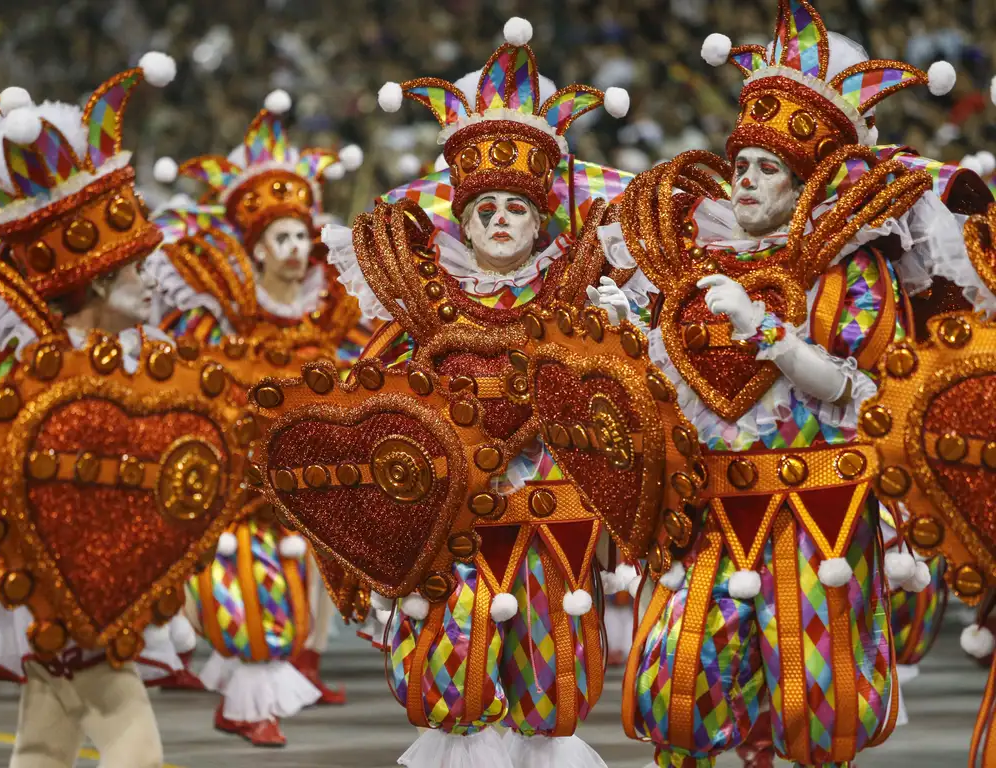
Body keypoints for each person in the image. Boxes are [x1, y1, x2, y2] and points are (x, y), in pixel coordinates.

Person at [601, 2, 981, 765]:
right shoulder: (686, 261)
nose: (744, 180)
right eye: (740, 166)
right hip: (709, 509)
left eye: (766, 168)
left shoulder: (854, 266)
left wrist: (770, 336)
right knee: (680, 683)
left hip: (819, 511)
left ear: (806, 180)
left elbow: (866, 392)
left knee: (810, 694)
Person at [310, 17, 637, 768]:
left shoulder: (581, 293)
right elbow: (377, 401)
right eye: (484, 209)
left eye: (515, 208)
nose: (498, 221)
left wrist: (615, 343)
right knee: (453, 677)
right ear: (461, 216)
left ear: (540, 217)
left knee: (549, 673)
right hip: (455, 524)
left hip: (555, 520)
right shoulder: (425, 302)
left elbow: (623, 409)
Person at [0, 53, 186, 768]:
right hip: (48, 579)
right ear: (96, 279)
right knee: (132, 745)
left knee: (44, 740)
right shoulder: (29, 368)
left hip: (94, 586)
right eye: (136, 271)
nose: (151, 283)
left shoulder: (144, 354)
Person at [143, 91, 368, 746]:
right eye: (282, 237)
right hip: (245, 470)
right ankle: (249, 690)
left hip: (318, 464)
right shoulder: (222, 305)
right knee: (246, 576)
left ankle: (293, 665)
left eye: (302, 233)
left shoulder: (333, 304)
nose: (297, 247)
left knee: (315, 575)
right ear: (258, 247)